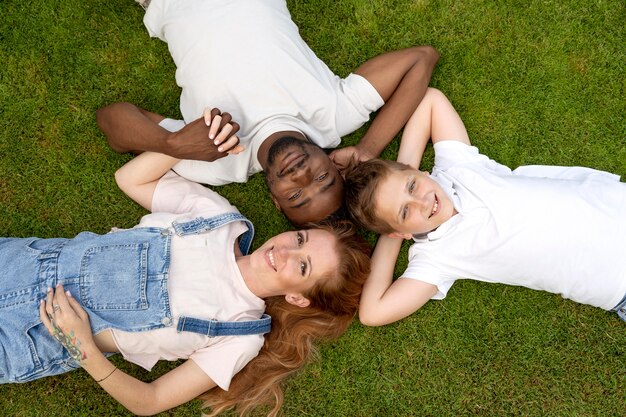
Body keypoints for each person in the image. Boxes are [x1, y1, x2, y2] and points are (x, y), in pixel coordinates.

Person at [0, 113, 371, 416]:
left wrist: (81, 347)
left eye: (302, 268)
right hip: (21, 262)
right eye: (301, 239)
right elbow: (130, 178)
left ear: (299, 298)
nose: (286, 251)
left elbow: (150, 401)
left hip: (33, 337)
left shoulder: (240, 335)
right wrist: (183, 144)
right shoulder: (220, 219)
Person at [97, 0, 440, 226]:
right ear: (337, 166)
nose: (302, 176)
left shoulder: (217, 163)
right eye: (322, 179)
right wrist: (367, 150)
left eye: (295, 196)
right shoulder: (335, 116)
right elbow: (421, 59)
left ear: (275, 201)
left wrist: (172, 143)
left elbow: (112, 118)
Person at [343, 87, 626, 326]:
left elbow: (430, 99)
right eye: (405, 212)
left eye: (412, 187)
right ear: (400, 232)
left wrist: (406, 169)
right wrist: (391, 236)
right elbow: (373, 312)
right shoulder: (435, 259)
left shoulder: (457, 167)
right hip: (618, 281)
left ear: (421, 173)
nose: (422, 202)